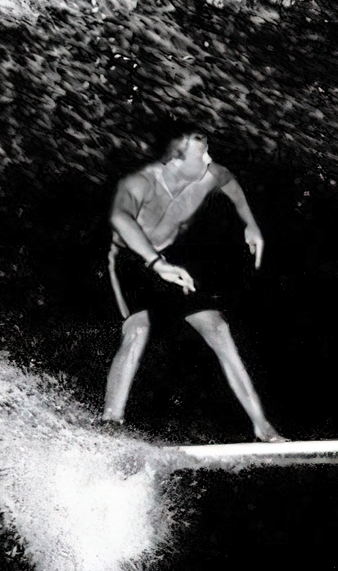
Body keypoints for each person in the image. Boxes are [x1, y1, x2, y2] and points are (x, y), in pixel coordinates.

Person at [102, 131, 287, 442]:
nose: (208, 161)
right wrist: (154, 263)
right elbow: (121, 219)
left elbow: (228, 180)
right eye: (200, 156)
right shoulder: (140, 183)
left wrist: (250, 224)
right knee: (138, 329)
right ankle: (110, 423)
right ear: (176, 160)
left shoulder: (208, 174)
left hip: (170, 260)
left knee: (216, 327)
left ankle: (262, 426)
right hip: (132, 263)